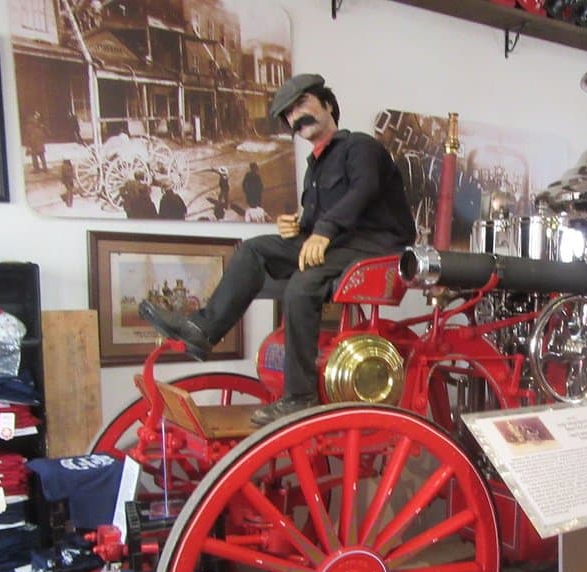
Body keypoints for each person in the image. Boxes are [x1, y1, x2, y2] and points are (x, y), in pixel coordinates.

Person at [139, 73, 416, 425]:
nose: (295, 117)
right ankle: (201, 331)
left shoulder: (361, 147)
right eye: (288, 113)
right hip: (339, 245)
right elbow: (319, 220)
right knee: (254, 250)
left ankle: (300, 397)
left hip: (377, 247)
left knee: (305, 282)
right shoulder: (315, 165)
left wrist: (323, 231)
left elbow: (361, 193)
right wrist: (301, 226)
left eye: (302, 104)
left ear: (328, 104)